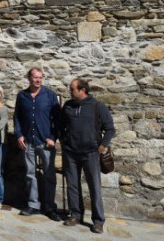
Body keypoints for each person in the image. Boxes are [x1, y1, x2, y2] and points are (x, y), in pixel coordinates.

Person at [59, 78, 116, 234]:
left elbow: (110, 129)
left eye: (72, 89)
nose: (69, 91)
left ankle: (98, 221)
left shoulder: (98, 106)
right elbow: (60, 126)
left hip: (91, 153)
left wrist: (102, 146)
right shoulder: (68, 106)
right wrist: (63, 141)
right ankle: (75, 215)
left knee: (94, 187)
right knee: (72, 185)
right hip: (71, 153)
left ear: (82, 90)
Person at [14, 67, 61, 221]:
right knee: (29, 174)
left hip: (45, 142)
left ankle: (49, 207)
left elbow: (57, 120)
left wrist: (53, 137)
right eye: (35, 77)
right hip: (28, 141)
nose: (38, 80)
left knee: (49, 175)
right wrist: (19, 135)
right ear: (29, 78)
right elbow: (17, 118)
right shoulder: (22, 96)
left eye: (40, 77)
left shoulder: (50, 95)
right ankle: (33, 205)